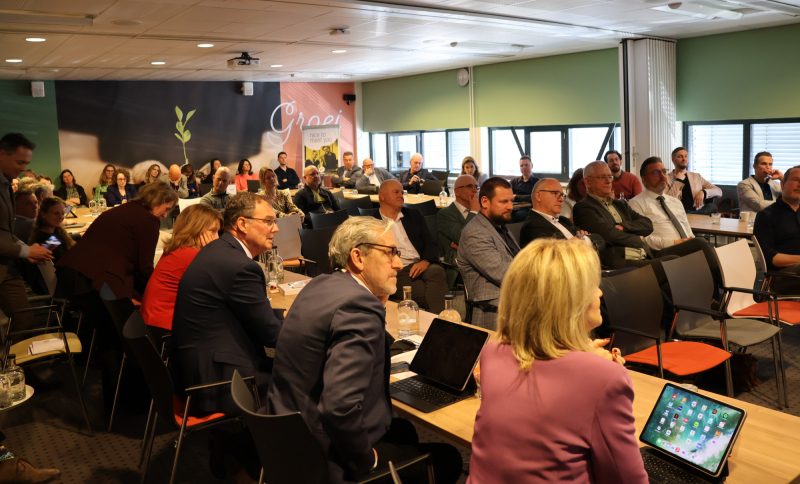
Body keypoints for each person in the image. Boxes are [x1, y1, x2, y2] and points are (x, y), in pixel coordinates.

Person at [267, 217, 463, 484]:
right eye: (390, 253)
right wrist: (367, 460)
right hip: (327, 456)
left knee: (403, 429)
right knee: (448, 457)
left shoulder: (320, 284)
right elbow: (339, 408)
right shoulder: (358, 307)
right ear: (358, 257)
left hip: (288, 440)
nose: (399, 263)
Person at [467, 239, 646, 484]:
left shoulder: (492, 352)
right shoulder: (605, 378)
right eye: (593, 285)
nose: (600, 292)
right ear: (571, 300)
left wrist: (583, 356)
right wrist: (598, 370)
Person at [55, 181, 178, 415]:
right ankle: (121, 407)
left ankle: (117, 404)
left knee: (110, 336)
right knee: (119, 339)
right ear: (160, 201)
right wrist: (159, 291)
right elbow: (144, 267)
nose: (166, 214)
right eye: (167, 208)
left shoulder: (124, 210)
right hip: (92, 282)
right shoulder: (147, 220)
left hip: (73, 275)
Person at [171, 192, 283, 416]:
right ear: (242, 223)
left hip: (194, 367)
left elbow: (247, 312)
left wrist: (282, 314)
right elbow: (272, 336)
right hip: (220, 379)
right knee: (303, 378)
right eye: (269, 221)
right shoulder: (240, 267)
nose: (276, 229)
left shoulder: (217, 249)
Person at [573, 161, 678, 287]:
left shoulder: (620, 204)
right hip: (621, 262)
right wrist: (638, 237)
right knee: (674, 263)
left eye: (610, 176)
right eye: (602, 177)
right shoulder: (583, 207)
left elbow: (647, 224)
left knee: (694, 246)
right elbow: (610, 235)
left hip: (644, 254)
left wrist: (624, 227)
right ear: (587, 182)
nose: (608, 181)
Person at [629, 157, 722, 287]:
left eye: (664, 171)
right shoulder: (635, 203)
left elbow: (687, 229)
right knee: (700, 244)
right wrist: (674, 242)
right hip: (660, 252)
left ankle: (715, 297)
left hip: (684, 246)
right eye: (656, 173)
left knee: (701, 252)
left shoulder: (675, 202)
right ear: (644, 179)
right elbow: (641, 239)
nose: (662, 176)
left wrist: (690, 240)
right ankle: (726, 284)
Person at [140, 204, 222, 340]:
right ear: (196, 230)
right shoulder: (193, 255)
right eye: (213, 231)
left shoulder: (177, 249)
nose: (217, 237)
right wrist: (212, 253)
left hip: (151, 322)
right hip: (166, 328)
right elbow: (222, 287)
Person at [0, 133, 52, 334]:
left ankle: (17, 364)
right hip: (7, 262)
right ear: (2, 154)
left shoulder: (6, 184)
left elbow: (5, 231)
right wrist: (27, 251)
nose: (23, 168)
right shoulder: (32, 225)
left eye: (26, 163)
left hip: (7, 266)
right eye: (20, 162)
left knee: (23, 320)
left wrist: (27, 249)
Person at [373, 180, 448, 313]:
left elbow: (431, 243)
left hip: (421, 264)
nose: (401, 195)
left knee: (437, 271)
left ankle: (441, 324)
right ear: (382, 196)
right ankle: (445, 323)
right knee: (428, 295)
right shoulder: (372, 222)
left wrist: (425, 261)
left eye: (402, 192)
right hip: (397, 270)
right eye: (396, 192)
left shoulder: (413, 215)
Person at [457, 177, 520, 330]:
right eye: (504, 202)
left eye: (511, 201)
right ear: (485, 202)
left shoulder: (500, 227)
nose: (510, 206)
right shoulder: (475, 232)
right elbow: (505, 274)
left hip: (516, 302)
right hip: (494, 312)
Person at [519, 179, 605, 255]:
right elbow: (559, 255)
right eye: (556, 193)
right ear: (538, 195)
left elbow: (600, 240)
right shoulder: (533, 226)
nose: (561, 199)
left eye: (562, 195)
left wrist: (579, 240)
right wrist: (584, 241)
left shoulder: (563, 221)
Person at [754, 165, 800, 295]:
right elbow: (770, 257)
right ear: (783, 184)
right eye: (796, 180)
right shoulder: (766, 216)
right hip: (781, 277)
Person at [437, 174, 480, 288]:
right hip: (458, 266)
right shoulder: (445, 214)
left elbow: (491, 236)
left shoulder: (482, 211)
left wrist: (464, 246)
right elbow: (462, 237)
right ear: (457, 191)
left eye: (476, 186)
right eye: (470, 186)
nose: (475, 190)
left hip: (482, 259)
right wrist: (474, 212)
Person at [666, 147, 721, 214]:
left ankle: (691, 215)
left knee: (713, 206)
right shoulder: (667, 178)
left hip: (696, 210)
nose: (684, 159)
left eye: (686, 156)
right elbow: (668, 201)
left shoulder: (696, 176)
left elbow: (719, 191)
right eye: (680, 157)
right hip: (678, 212)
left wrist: (703, 192)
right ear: (674, 160)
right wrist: (679, 180)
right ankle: (690, 216)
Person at [28, 196, 75, 263]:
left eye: (62, 213)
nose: (61, 217)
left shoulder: (56, 232)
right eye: (56, 213)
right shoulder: (45, 240)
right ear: (43, 214)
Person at [510, 156, 539, 222]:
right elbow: (507, 193)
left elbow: (534, 197)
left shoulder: (537, 182)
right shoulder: (515, 181)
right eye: (521, 166)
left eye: (526, 165)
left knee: (518, 215)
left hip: (527, 209)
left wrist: (516, 196)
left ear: (532, 166)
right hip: (513, 207)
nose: (524, 167)